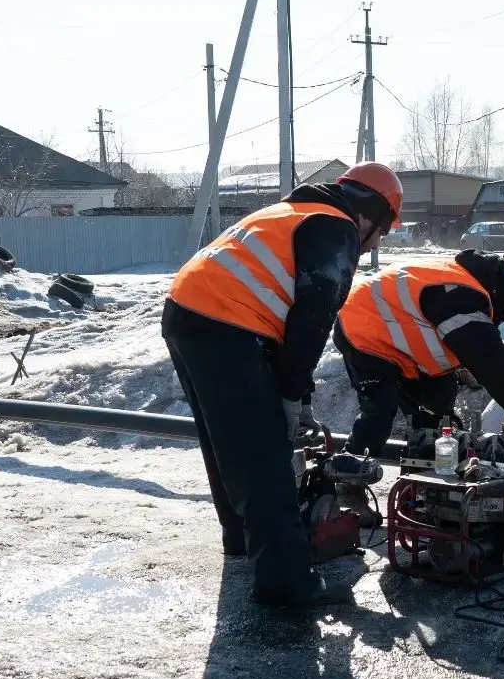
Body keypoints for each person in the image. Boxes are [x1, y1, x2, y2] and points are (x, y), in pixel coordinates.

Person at [163, 162, 403, 605]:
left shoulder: (285, 213)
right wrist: (291, 395)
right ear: (371, 215)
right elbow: (314, 317)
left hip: (186, 311)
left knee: (225, 442)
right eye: (383, 230)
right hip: (227, 324)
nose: (377, 241)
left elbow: (278, 311)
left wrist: (299, 393)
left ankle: (241, 539)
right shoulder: (337, 228)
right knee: (265, 451)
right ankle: (286, 581)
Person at [335, 251, 504, 456]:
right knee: (381, 409)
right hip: (362, 329)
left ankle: (424, 472)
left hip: (398, 345)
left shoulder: (467, 285)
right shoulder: (461, 296)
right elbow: (487, 355)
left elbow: (461, 350)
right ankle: (349, 470)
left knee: (433, 415)